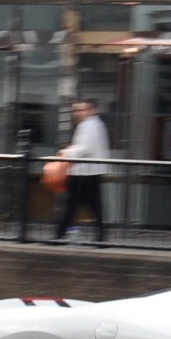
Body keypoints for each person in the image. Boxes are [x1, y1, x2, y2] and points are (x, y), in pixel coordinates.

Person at [53, 100, 110, 245]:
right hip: (90, 170)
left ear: (91, 110)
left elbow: (86, 148)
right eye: (75, 110)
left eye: (80, 110)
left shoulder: (89, 125)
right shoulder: (96, 124)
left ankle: (59, 235)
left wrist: (65, 152)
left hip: (83, 171)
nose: (77, 113)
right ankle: (101, 236)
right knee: (92, 205)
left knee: (71, 204)